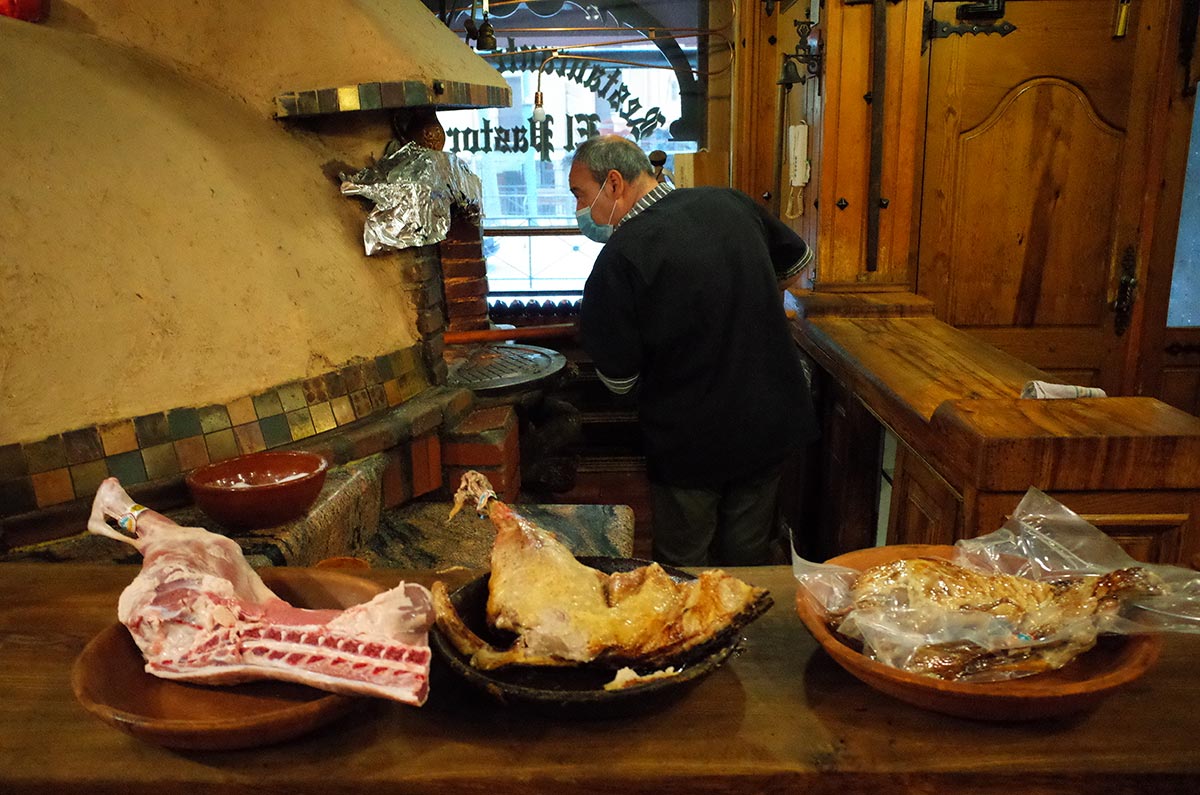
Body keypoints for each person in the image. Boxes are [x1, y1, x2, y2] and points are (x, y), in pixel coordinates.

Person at [569, 135, 818, 567]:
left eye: (579, 194)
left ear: (614, 183)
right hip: (769, 418)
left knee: (685, 563)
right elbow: (796, 264)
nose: (578, 210)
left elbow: (620, 380)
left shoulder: (620, 257)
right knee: (749, 558)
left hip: (690, 436)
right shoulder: (730, 202)